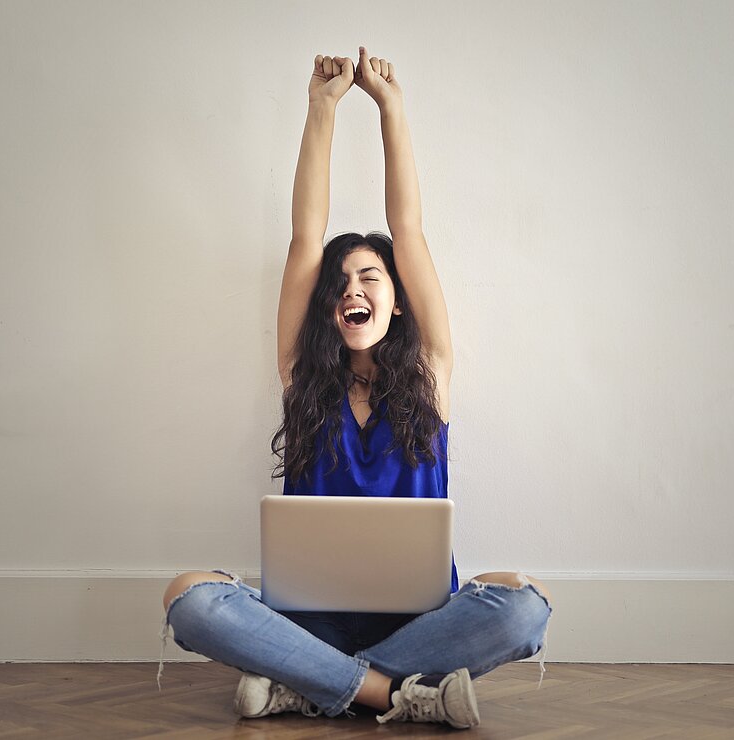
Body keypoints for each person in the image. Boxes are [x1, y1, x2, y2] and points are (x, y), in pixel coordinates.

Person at [157, 47, 553, 730]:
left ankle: (304, 685)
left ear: (397, 301)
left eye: (370, 277)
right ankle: (394, 695)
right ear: (327, 307)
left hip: (418, 622)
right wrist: (322, 107)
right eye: (340, 283)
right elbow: (305, 239)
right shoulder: (301, 378)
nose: (352, 289)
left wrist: (391, 108)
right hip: (308, 622)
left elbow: (410, 232)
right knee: (187, 596)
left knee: (524, 605)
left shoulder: (429, 374)